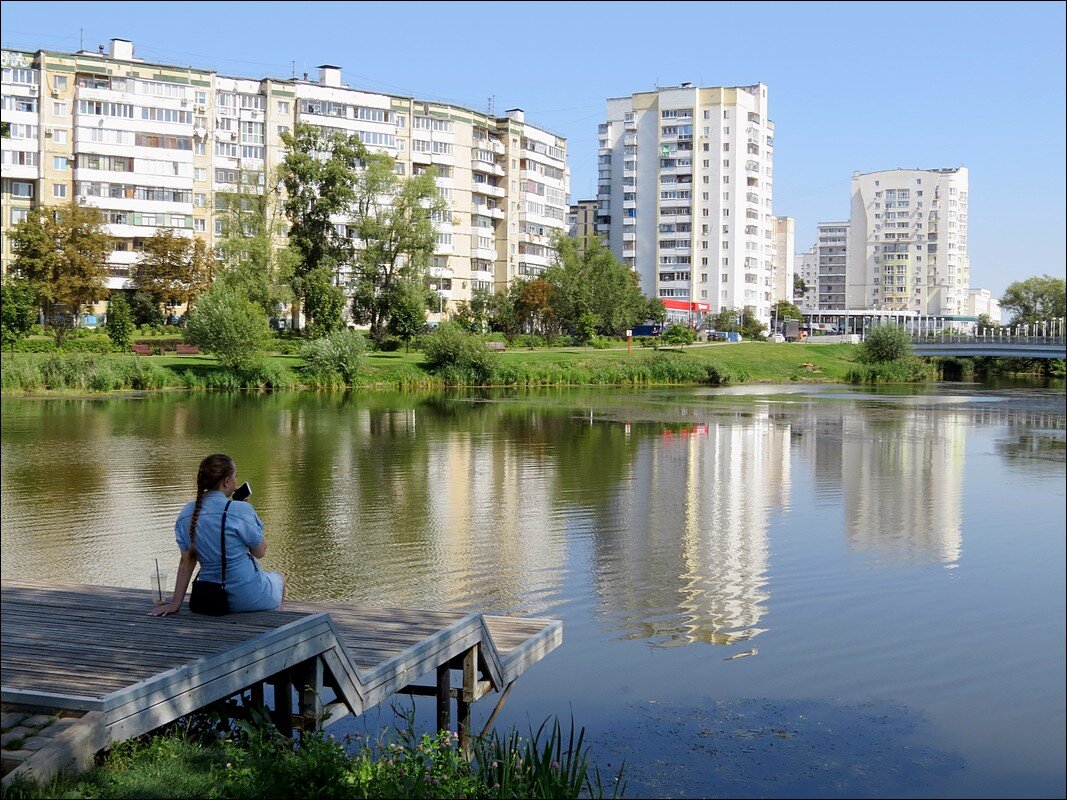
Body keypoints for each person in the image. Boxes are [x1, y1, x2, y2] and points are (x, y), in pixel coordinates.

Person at [148, 453, 284, 617]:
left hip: (209, 598)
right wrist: (246, 513)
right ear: (226, 481)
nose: (236, 483)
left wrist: (175, 604)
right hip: (247, 596)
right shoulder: (240, 510)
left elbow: (187, 561)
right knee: (280, 579)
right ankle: (278, 626)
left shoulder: (187, 513)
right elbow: (260, 552)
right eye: (235, 476)